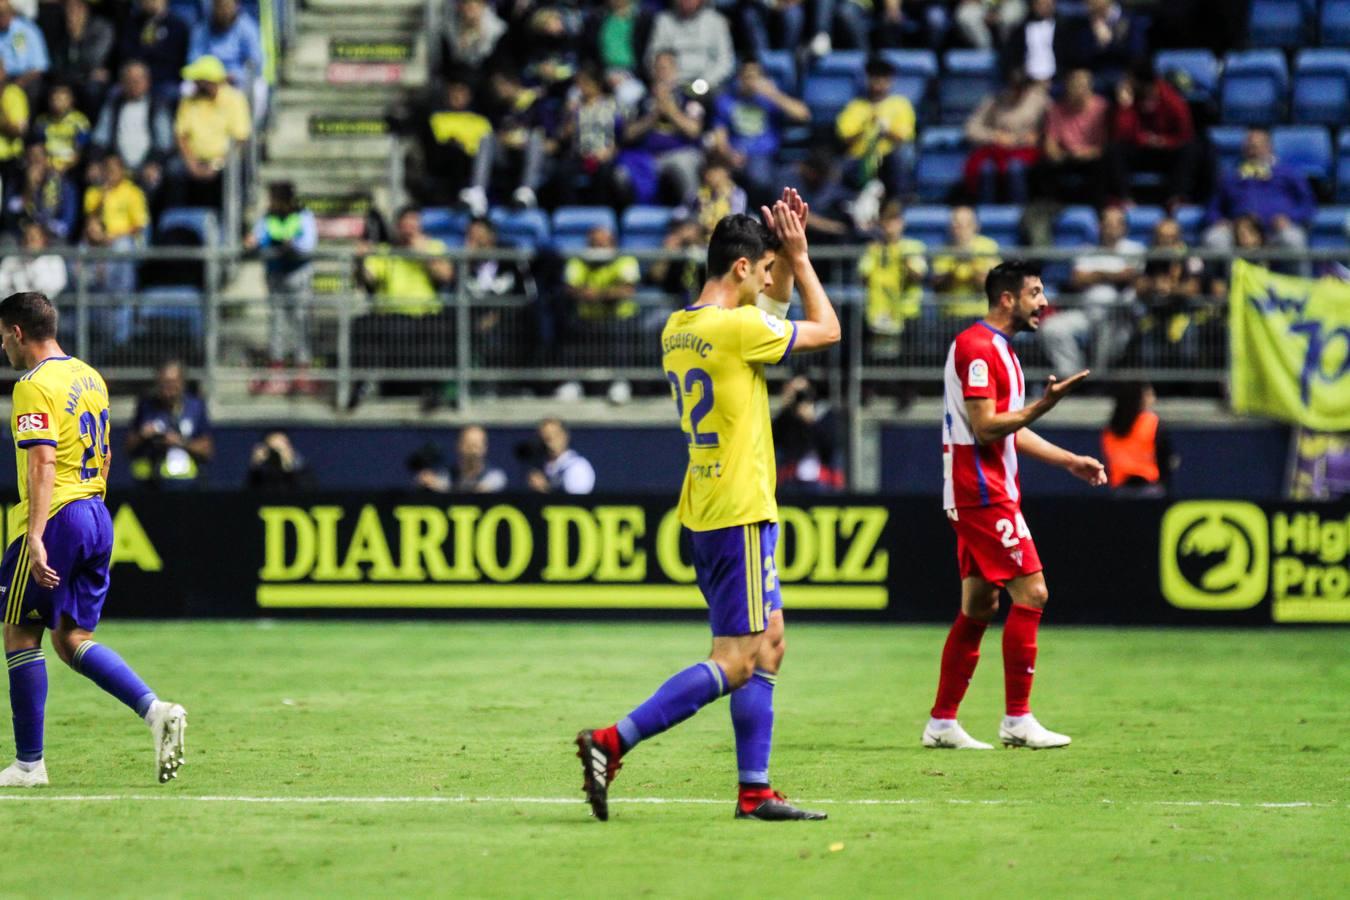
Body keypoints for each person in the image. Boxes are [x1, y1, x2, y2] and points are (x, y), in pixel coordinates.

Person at [575, 188, 841, 822]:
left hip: (705, 507)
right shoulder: (739, 328)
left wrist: (775, 252)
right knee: (737, 659)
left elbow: (763, 318)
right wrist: (801, 258)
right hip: (740, 510)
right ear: (742, 268)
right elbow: (828, 329)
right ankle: (613, 741)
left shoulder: (682, 328)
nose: (770, 280)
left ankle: (755, 791)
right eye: (764, 269)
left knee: (769, 642)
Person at [0, 290, 186, 788]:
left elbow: (41, 461)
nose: (3, 347)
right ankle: (155, 710)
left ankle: (29, 765)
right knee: (71, 638)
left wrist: (36, 534)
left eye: (2, 336)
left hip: (56, 515)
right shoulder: (90, 376)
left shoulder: (31, 384)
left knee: (19, 632)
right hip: (96, 511)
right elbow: (102, 455)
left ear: (18, 332)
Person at [923, 260, 1106, 752]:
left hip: (983, 490)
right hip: (980, 491)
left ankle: (942, 723)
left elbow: (1010, 426)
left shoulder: (1001, 351)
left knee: (979, 605)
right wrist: (1043, 406)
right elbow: (985, 427)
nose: (1043, 302)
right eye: (1035, 293)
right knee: (1034, 592)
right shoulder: (977, 348)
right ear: (1007, 298)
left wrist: (1069, 461)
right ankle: (1017, 719)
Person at [1038, 205, 1143, 377]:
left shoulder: (1134, 249)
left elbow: (1130, 277)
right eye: (1107, 223)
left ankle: (1099, 380)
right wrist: (1113, 275)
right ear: (1099, 226)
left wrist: (1095, 275)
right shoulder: (1087, 250)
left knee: (1109, 322)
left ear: (1124, 227)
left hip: (1119, 317)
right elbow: (1078, 279)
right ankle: (1073, 378)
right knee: (1051, 328)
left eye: (1116, 223)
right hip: (1086, 314)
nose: (1111, 228)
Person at [1203, 128, 1314, 278]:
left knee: (1293, 238)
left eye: (1256, 146)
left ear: (1269, 147)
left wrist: (1290, 218)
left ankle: (1301, 292)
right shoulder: (1231, 176)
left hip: (1274, 231)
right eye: (1248, 146)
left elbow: (1307, 204)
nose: (1251, 150)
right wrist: (1219, 221)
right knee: (1214, 239)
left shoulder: (1287, 172)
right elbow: (1213, 207)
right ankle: (1223, 293)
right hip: (1239, 232)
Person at [243, 181, 317, 395]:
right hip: (276, 275)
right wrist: (251, 242)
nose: (271, 202)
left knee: (300, 322)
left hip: (298, 275)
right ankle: (277, 370)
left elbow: (308, 244)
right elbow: (258, 237)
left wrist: (292, 245)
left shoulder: (303, 216)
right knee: (277, 322)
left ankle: (302, 371)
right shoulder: (268, 217)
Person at [710, 59, 809, 205]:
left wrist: (773, 94)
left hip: (763, 157)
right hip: (733, 156)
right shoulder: (726, 100)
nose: (750, 81)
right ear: (739, 78)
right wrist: (728, 154)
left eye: (755, 76)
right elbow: (719, 136)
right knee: (713, 177)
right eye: (747, 77)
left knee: (758, 175)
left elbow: (803, 115)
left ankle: (758, 214)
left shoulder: (769, 99)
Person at [1108, 61, 1196, 204]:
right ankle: (1124, 198)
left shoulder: (1171, 99)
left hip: (1166, 151)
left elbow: (1185, 133)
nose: (1126, 82)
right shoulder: (1129, 99)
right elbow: (1121, 134)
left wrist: (1164, 141)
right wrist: (1125, 107)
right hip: (1140, 149)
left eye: (1130, 79)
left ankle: (1176, 198)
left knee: (1190, 148)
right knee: (1114, 150)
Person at [170, 54, 251, 208]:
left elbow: (240, 140)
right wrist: (191, 164)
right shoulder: (189, 100)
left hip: (224, 162)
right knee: (173, 172)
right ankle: (180, 224)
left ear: (208, 83)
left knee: (232, 176)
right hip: (193, 161)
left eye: (198, 81)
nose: (194, 84)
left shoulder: (234, 99)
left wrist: (217, 165)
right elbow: (181, 135)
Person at [961, 67, 1048, 203]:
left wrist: (1040, 136)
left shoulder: (1041, 102)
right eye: (1014, 87)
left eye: (1021, 88)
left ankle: (1018, 211)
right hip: (997, 150)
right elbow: (971, 129)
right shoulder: (994, 101)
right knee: (986, 169)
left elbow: (1055, 127)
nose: (1017, 92)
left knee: (1015, 168)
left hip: (1027, 152)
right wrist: (994, 136)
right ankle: (986, 213)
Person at [835, 56, 916, 200]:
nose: (878, 83)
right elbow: (845, 139)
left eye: (883, 78)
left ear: (890, 80)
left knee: (901, 157)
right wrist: (867, 124)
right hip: (860, 159)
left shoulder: (901, 104)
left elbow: (904, 137)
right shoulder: (855, 106)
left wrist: (885, 129)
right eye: (874, 78)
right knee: (841, 167)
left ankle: (899, 200)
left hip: (889, 160)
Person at [125, 359, 214, 486]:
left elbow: (207, 450)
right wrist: (143, 435)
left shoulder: (196, 407)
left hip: (188, 485)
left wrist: (179, 442)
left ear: (182, 383)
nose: (168, 388)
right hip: (152, 484)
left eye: (173, 382)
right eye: (163, 383)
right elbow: (128, 448)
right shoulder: (146, 406)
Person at [91, 60, 174, 193]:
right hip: (116, 165)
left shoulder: (157, 105)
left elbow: (165, 142)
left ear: (147, 82)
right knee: (96, 178)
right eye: (129, 81)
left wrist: (154, 163)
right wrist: (95, 162)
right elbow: (101, 137)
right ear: (122, 83)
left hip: (147, 166)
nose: (133, 85)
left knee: (158, 177)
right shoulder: (113, 106)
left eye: (137, 81)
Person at [859, 199, 927, 352]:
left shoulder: (913, 247)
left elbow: (918, 274)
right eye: (887, 220)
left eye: (895, 220)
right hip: (878, 313)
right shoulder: (873, 250)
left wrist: (902, 258)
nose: (890, 226)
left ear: (902, 222)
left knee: (909, 362)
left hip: (908, 312)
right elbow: (864, 276)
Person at [1037, 67, 1108, 207]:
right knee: (1043, 165)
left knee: (1104, 165)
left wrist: (1088, 153)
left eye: (1081, 86)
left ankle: (1098, 208)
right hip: (1067, 156)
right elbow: (1050, 142)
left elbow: (1106, 144)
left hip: (1092, 157)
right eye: (1073, 85)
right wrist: (1057, 154)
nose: (1077, 90)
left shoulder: (1102, 108)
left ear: (1090, 88)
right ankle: (1051, 206)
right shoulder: (1056, 109)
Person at [643, 0, 735, 93]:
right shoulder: (664, 20)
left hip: (708, 85)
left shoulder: (716, 21)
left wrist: (704, 82)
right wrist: (667, 78)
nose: (687, 1)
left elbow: (725, 61)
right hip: (672, 84)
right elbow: (652, 57)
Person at [1101, 382, 1175, 494]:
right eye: (1149, 395)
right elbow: (1164, 457)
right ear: (1140, 398)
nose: (1153, 399)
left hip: (1120, 488)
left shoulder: (1111, 428)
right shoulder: (1152, 422)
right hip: (1149, 487)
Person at [773, 376, 843, 492]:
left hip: (820, 479)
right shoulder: (785, 418)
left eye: (802, 392)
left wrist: (811, 421)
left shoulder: (824, 414)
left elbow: (830, 447)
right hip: (790, 477)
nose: (799, 397)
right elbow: (777, 441)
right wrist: (786, 410)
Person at [932, 205, 1000, 319]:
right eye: (956, 225)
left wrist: (971, 262)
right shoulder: (944, 250)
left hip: (981, 316)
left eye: (965, 225)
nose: (960, 230)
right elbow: (938, 288)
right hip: (950, 317)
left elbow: (990, 286)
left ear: (975, 226)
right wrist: (954, 266)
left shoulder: (988, 247)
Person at [117, 0, 190, 102]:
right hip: (135, 78)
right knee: (115, 92)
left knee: (171, 92)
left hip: (163, 80)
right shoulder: (132, 23)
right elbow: (126, 54)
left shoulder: (177, 26)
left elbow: (176, 61)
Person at [526, 417, 595, 495]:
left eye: (555, 435)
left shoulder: (578, 466)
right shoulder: (541, 466)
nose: (551, 441)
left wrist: (544, 489)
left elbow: (576, 502)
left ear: (565, 436)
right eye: (546, 437)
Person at [0, 221, 67, 300]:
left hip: (43, 307)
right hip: (15, 306)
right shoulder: (11, 259)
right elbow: (1, 285)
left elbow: (55, 286)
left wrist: (33, 268)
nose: (28, 243)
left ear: (43, 241)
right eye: (25, 238)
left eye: (32, 238)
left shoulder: (53, 260)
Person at [0, 0, 49, 92]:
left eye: (3, 13)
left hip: (26, 78)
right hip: (4, 79)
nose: (1, 17)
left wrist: (17, 84)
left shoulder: (27, 30)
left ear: (11, 12)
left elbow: (39, 67)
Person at [246, 430, 314, 492]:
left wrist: (289, 466)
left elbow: (310, 494)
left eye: (280, 449)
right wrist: (255, 467)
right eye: (273, 449)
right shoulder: (261, 475)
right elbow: (246, 497)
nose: (277, 454)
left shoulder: (302, 472)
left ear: (290, 449)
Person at [450, 425, 507, 493]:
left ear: (485, 448)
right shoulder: (446, 475)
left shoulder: (496, 477)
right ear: (459, 446)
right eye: (469, 446)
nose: (473, 452)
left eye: (476, 446)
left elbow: (483, 490)